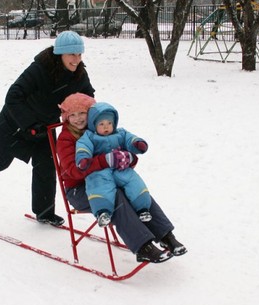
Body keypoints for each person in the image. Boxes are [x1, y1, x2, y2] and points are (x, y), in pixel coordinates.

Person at [0, 31, 95, 226]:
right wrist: (29, 124)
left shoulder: (79, 73)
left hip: (45, 127)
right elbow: (13, 96)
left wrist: (97, 119)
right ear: (60, 53)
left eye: (79, 54)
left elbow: (88, 98)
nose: (76, 59)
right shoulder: (40, 69)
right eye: (72, 54)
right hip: (15, 125)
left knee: (46, 165)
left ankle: (44, 212)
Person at [56, 93, 187, 263]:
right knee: (117, 196)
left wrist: (129, 158)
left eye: (82, 113)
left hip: (110, 180)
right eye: (72, 115)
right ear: (66, 117)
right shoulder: (66, 139)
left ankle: (166, 236)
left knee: (136, 190)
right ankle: (143, 246)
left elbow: (123, 153)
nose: (78, 119)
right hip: (79, 190)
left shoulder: (102, 128)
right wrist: (105, 160)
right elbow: (73, 171)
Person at [75, 102, 152, 227]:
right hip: (101, 170)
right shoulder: (89, 136)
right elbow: (83, 147)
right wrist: (83, 158)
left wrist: (137, 143)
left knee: (133, 180)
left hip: (120, 167)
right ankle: (103, 212)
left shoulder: (120, 133)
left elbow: (130, 138)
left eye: (109, 123)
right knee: (99, 185)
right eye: (101, 124)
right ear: (93, 124)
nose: (106, 127)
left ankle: (143, 208)